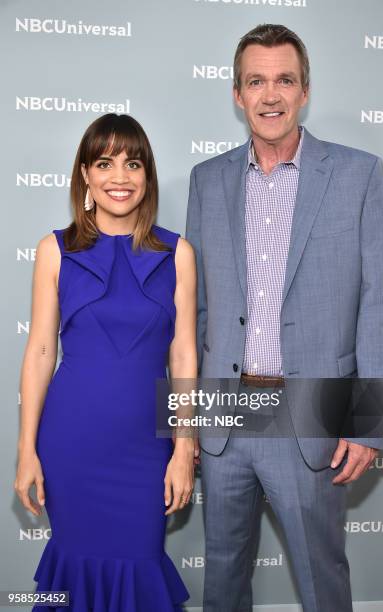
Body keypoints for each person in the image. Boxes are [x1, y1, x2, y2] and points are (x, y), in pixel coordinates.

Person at [186, 24, 383, 612]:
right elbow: (194, 312)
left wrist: (368, 423)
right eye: (256, 81)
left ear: (305, 91)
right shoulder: (208, 180)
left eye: (284, 80)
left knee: (321, 579)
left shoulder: (358, 175)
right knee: (222, 578)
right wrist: (187, 419)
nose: (270, 95)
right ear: (237, 93)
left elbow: (378, 305)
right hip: (225, 414)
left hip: (312, 415)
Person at [14, 113, 196, 611]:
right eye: (105, 163)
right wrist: (26, 450)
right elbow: (41, 352)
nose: (120, 176)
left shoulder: (178, 254)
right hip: (71, 444)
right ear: (85, 176)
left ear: (148, 176)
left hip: (144, 448)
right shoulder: (55, 249)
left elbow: (183, 353)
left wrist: (184, 448)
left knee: (139, 561)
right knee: (75, 564)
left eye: (133, 163)